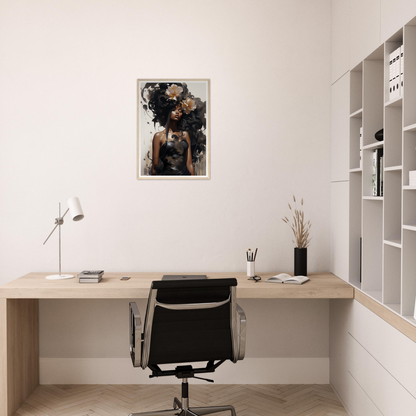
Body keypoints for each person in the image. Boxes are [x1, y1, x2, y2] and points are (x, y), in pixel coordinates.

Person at [141, 82, 206, 176]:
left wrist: (193, 182)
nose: (177, 113)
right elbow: (155, 167)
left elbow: (189, 164)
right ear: (167, 111)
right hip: (167, 178)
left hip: (185, 176)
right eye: (174, 110)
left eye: (180, 110)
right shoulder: (158, 136)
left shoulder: (185, 134)